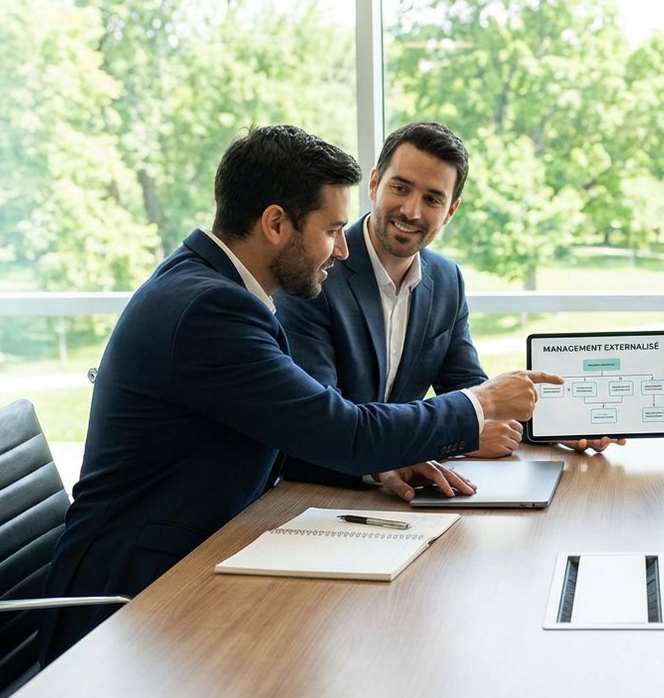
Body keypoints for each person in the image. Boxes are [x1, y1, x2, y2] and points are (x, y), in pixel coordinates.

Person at [40, 125, 562, 662]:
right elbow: (343, 429)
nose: (341, 249)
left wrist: (382, 467)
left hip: (201, 555)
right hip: (133, 601)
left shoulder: (220, 289)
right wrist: (482, 403)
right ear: (275, 224)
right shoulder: (211, 311)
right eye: (332, 229)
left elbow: (289, 432)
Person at [277, 122, 619, 496]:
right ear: (374, 184)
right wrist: (455, 438)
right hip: (319, 495)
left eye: (433, 199)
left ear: (451, 210)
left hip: (409, 494)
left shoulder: (446, 278)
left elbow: (469, 387)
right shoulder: (316, 273)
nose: (411, 210)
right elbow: (317, 429)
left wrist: (557, 423)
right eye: (401, 188)